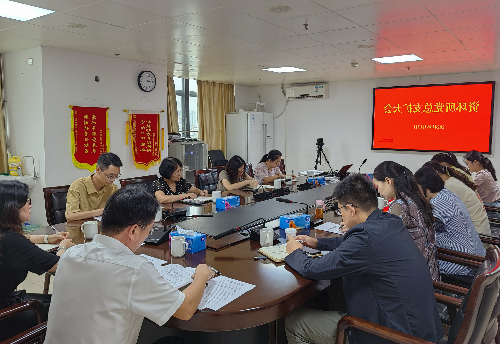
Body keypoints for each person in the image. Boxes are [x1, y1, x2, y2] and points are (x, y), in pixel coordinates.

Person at [284, 174, 442, 344]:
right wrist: (319, 244)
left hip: (394, 336)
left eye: (340, 210)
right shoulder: (389, 221)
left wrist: (295, 252)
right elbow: (354, 245)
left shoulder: (365, 238)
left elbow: (311, 269)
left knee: (295, 322)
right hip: (419, 329)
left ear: (351, 210)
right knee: (335, 293)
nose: (341, 215)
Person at [45, 185, 215, 344]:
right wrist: (201, 275)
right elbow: (185, 310)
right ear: (133, 231)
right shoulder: (134, 269)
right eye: (148, 230)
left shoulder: (69, 255)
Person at [0, 181, 73, 341]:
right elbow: (58, 265)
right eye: (27, 201)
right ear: (13, 206)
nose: (30, 206)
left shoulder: (5, 235)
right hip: (4, 317)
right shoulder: (11, 241)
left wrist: (47, 238)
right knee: (68, 308)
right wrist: (63, 246)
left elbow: (25, 238)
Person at [372, 161, 439, 281]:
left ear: (388, 181)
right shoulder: (414, 198)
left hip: (415, 280)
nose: (378, 192)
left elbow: (383, 241)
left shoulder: (399, 205)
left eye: (377, 186)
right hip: (429, 274)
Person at [414, 166, 486, 277]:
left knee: (417, 259)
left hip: (463, 263)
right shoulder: (448, 194)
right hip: (475, 256)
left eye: (417, 190)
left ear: (426, 189)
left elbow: (420, 227)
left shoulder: (438, 202)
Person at [423, 161, 490, 236]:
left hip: (477, 235)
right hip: (480, 230)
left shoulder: (450, 186)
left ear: (436, 173)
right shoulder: (452, 181)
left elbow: (440, 214)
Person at [65, 152, 123, 222]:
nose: (113, 180)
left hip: (103, 229)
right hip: (81, 230)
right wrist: (101, 211)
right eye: (110, 176)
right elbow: (70, 216)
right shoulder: (78, 186)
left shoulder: (112, 188)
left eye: (116, 176)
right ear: (98, 170)